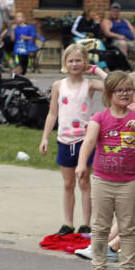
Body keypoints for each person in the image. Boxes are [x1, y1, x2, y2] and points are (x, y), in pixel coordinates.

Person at [75, 71, 135, 270]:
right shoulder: (100, 118)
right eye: (120, 90)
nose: (125, 94)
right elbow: (90, 141)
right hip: (103, 180)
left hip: (129, 182)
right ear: (109, 94)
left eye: (128, 89)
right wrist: (81, 164)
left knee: (128, 228)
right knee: (101, 226)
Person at [39, 44, 108, 235]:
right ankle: (68, 222)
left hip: (83, 140)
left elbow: (114, 85)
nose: (75, 64)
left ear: (85, 62)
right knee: (68, 183)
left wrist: (97, 70)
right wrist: (45, 137)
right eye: (71, 61)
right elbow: (52, 114)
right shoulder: (58, 85)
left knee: (84, 181)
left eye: (78, 60)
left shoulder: (90, 84)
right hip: (64, 140)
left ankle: (86, 223)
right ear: (65, 63)